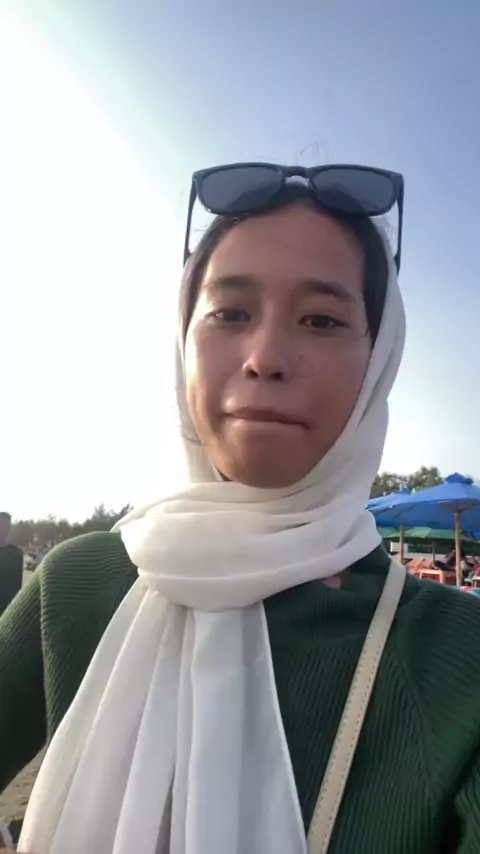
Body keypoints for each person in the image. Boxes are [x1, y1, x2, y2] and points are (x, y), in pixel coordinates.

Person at [1, 163, 480, 854]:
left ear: (379, 361)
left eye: (321, 320)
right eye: (229, 314)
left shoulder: (456, 656)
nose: (265, 357)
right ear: (184, 344)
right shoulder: (77, 587)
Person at [0, 513, 23, 616]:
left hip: (7, 610)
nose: (4, 530)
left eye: (7, 526)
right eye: (1, 525)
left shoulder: (16, 553)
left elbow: (17, 586)